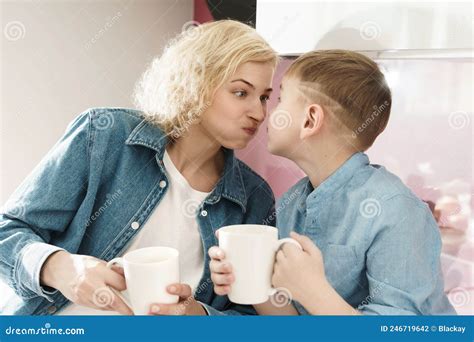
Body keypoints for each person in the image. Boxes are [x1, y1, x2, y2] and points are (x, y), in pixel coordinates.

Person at [0, 20, 278, 316]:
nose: (259, 113)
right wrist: (63, 268)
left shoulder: (254, 197)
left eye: (264, 97)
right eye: (240, 93)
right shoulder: (104, 135)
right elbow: (8, 233)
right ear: (197, 82)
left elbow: (252, 316)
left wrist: (199, 316)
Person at [209, 50, 456, 315]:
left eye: (279, 99)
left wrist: (315, 292)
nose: (265, 113)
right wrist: (250, 282)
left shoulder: (399, 212)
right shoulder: (292, 204)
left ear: (310, 120)